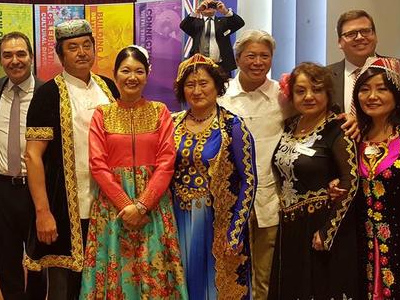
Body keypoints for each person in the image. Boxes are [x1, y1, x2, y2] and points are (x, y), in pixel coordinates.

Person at [79, 46, 188, 299]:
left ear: (147, 75)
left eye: (139, 71)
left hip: (153, 206)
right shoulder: (101, 114)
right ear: (115, 75)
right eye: (125, 70)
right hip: (114, 208)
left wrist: (142, 205)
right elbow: (98, 163)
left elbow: (166, 161)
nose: (132, 77)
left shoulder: (160, 112)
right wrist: (125, 205)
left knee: (153, 269)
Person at [24, 19, 119, 300]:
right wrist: (43, 212)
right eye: (73, 47)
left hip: (108, 204)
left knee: (105, 277)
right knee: (65, 287)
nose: (81, 53)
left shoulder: (109, 88)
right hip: (64, 206)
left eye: (86, 45)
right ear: (60, 55)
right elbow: (33, 155)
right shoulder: (48, 94)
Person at [268, 62, 359, 299]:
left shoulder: (339, 129)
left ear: (328, 93)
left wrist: (327, 231)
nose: (309, 96)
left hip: (321, 225)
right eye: (300, 91)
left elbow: (351, 182)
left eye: (317, 90)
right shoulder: (289, 126)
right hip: (290, 226)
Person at [171, 54, 257, 299]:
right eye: (190, 85)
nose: (197, 90)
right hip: (177, 217)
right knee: (182, 282)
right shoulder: (172, 124)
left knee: (215, 286)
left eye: (203, 83)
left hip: (217, 221)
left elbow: (249, 181)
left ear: (217, 86)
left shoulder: (233, 126)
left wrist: (235, 230)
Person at [217, 29, 288, 300]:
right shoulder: (221, 97)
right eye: (251, 56)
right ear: (237, 58)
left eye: (264, 56)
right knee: (229, 270)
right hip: (230, 202)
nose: (258, 62)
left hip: (270, 199)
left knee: (265, 273)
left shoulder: (284, 97)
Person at [352, 57, 400, 298]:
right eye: (364, 89)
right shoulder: (356, 136)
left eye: (382, 89)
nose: (372, 96)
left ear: (397, 94)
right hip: (366, 247)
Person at [0, 32, 47, 300]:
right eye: (7, 55)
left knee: (37, 261)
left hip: (35, 191)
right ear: (0, 60)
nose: (15, 60)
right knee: (6, 260)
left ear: (31, 57)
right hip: (0, 189)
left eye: (21, 54)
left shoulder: (47, 93)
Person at [328, 9, 400, 114]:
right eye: (351, 34)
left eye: (366, 31)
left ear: (375, 36)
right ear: (340, 42)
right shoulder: (325, 76)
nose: (359, 37)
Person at [179, 0, 245, 73]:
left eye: (211, 4)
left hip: (221, 66)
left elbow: (240, 23)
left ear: (215, 6)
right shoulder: (195, 23)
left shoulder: (224, 22)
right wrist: (197, 11)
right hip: (199, 65)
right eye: (206, 4)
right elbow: (183, 25)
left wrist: (225, 11)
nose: (208, 6)